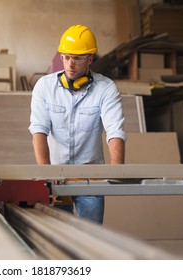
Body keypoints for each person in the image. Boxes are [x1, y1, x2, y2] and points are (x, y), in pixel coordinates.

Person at [28, 24, 126, 224]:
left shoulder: (106, 89)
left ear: (90, 58)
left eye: (77, 58)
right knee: (57, 239)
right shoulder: (44, 87)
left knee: (91, 238)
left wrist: (115, 173)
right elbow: (39, 130)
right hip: (56, 176)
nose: (70, 64)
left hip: (91, 177)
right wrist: (46, 174)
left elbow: (114, 130)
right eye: (66, 57)